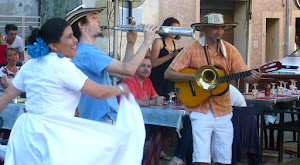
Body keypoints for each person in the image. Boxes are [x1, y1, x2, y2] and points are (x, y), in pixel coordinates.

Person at [0, 17, 134, 164]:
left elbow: (6, 96)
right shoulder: (62, 66)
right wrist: (120, 88)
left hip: (28, 132)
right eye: (69, 37)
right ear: (53, 45)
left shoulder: (30, 64)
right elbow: (98, 92)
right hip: (53, 133)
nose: (75, 40)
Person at [164, 13, 261, 165]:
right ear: (204, 30)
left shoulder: (230, 51)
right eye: (215, 28)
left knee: (223, 159)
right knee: (201, 159)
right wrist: (196, 76)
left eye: (222, 28)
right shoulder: (191, 49)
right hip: (200, 109)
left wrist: (254, 76)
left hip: (223, 110)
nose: (219, 31)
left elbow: (245, 75)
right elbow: (169, 73)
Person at [66, 4, 158, 124]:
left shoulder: (85, 51)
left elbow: (123, 75)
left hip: (100, 119)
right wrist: (147, 41)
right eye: (93, 18)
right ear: (81, 25)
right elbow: (129, 69)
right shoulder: (87, 52)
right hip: (102, 119)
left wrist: (131, 44)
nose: (99, 20)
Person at [149, 17, 182, 99]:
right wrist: (171, 55)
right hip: (157, 78)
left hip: (168, 80)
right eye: (173, 28)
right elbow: (153, 63)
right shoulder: (158, 41)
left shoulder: (175, 44)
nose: (175, 31)